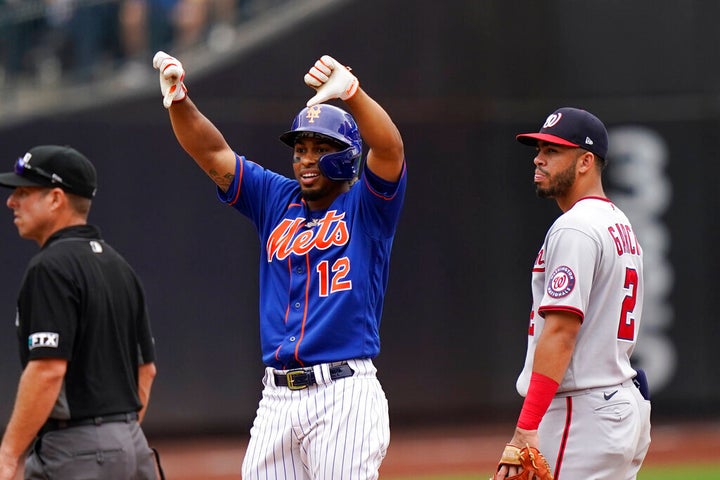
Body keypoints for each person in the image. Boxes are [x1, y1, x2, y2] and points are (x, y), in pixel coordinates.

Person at [152, 51, 406, 479]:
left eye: (319, 148)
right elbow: (212, 152)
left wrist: (353, 93)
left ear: (346, 156)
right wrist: (179, 100)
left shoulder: (368, 205)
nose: (305, 158)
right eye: (300, 148)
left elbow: (390, 147)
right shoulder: (276, 198)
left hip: (342, 392)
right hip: (277, 396)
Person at [493, 108, 651, 479]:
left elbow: (562, 333)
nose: (539, 158)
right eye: (540, 149)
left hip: (579, 414)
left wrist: (525, 429)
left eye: (553, 151)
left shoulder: (575, 228)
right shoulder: (619, 223)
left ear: (585, 161)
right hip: (616, 404)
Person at [0, 145, 160, 480]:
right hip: (132, 443)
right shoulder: (119, 266)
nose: (11, 201)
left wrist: (8, 452)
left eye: (24, 191)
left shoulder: (49, 268)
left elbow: (47, 370)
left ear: (56, 198)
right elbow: (146, 370)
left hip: (76, 452)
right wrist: (118, 437)